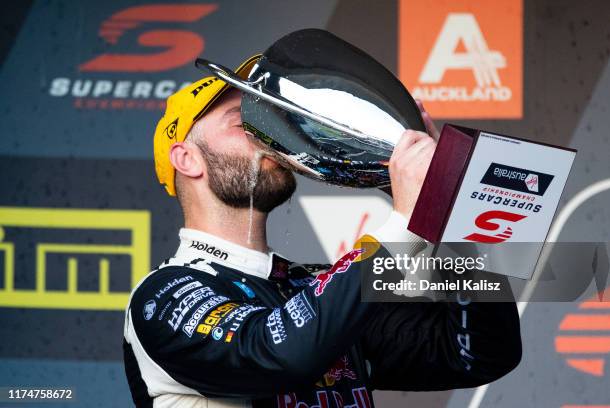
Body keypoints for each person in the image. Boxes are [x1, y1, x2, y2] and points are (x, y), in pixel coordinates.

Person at [123, 55, 522, 408]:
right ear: (188, 159)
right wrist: (403, 224)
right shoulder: (164, 296)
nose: (267, 134)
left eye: (266, 119)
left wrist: (447, 212)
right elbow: (273, 352)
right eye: (242, 123)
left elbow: (474, 354)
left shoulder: (313, 285)